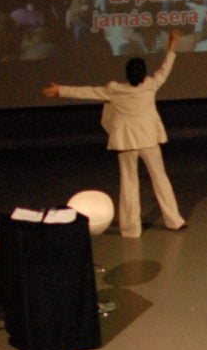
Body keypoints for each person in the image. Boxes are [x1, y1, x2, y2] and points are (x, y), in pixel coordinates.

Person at [42, 28, 187, 238]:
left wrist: (60, 90)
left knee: (129, 184)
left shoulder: (114, 89)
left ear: (127, 74)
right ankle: (173, 221)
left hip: (126, 142)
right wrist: (172, 44)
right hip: (148, 140)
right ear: (144, 73)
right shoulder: (150, 85)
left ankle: (131, 229)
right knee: (160, 179)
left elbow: (88, 92)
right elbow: (166, 68)